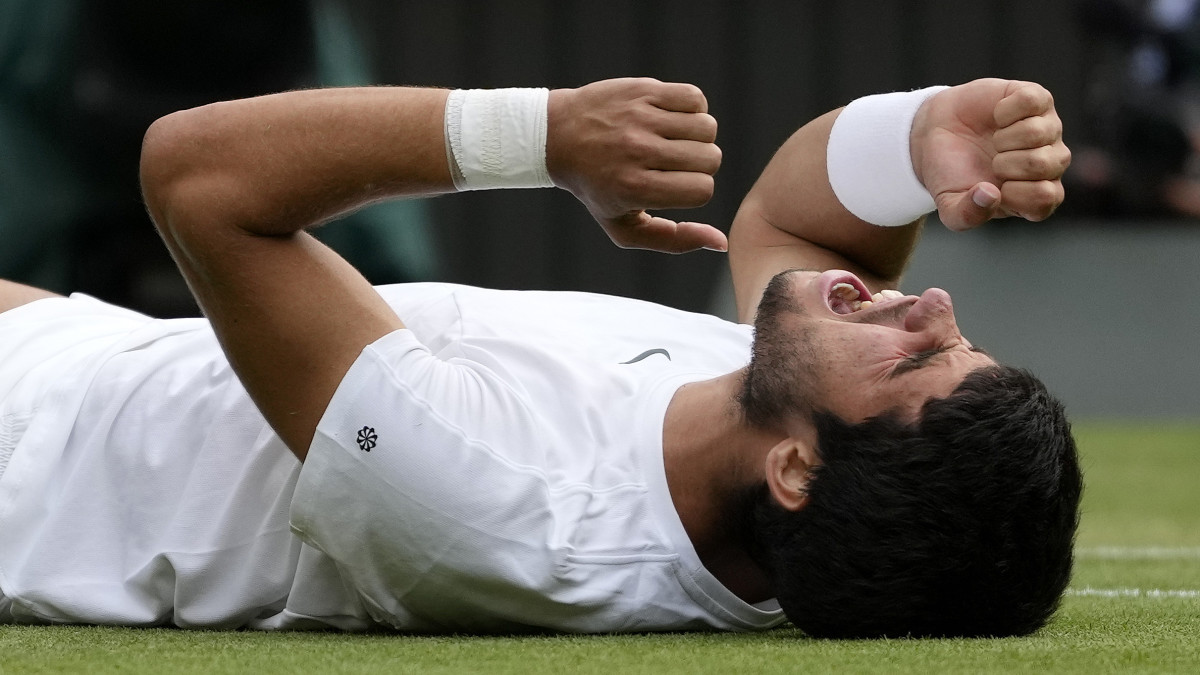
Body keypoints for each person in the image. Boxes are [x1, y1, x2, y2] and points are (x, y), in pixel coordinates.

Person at [0, 75, 1080, 637]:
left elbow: (196, 176)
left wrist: (540, 136)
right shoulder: (764, 433)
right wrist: (918, 136)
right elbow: (808, 231)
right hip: (70, 352)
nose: (929, 303)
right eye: (958, 338)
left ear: (797, 470)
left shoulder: (497, 506)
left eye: (913, 359)